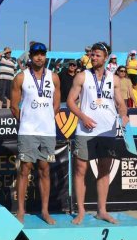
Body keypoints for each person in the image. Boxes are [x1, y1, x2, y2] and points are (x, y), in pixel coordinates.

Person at [67, 42, 129, 225]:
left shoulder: (114, 79)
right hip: (85, 130)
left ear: (106, 57)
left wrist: (124, 115)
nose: (93, 58)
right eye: (92, 55)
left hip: (107, 130)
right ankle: (80, 211)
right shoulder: (82, 76)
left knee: (104, 170)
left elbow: (121, 104)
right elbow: (70, 101)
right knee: (80, 170)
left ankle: (102, 210)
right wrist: (82, 117)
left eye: (97, 55)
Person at [10, 42, 60, 224]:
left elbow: (56, 104)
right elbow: (13, 106)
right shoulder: (21, 77)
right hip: (28, 131)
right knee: (24, 170)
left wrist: (47, 117)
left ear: (45, 56)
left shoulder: (54, 77)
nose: (39, 57)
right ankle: (21, 211)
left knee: (45, 169)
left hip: (47, 131)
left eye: (42, 54)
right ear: (30, 56)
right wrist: (25, 122)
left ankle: (45, 211)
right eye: (36, 54)